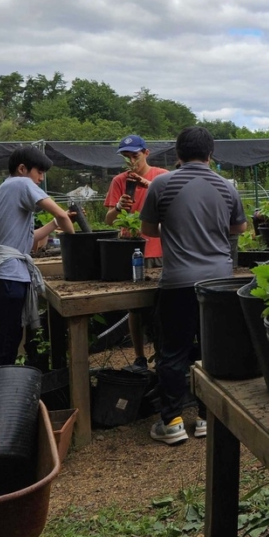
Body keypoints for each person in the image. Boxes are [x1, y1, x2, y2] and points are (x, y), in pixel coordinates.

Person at [140, 127, 247, 445]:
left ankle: (172, 422)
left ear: (178, 155)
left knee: (173, 351)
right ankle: (204, 418)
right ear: (211, 155)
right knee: (211, 349)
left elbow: (149, 229)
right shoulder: (226, 186)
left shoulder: (162, 183)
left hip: (178, 282)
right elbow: (239, 227)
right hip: (219, 281)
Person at [0, 147, 75, 365]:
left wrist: (56, 224)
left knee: (6, 339)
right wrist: (76, 240)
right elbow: (58, 212)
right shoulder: (21, 183)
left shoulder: (4, 189)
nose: (41, 178)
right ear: (22, 169)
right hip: (9, 275)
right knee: (6, 341)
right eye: (39, 172)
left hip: (5, 274)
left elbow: (29, 241)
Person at [103, 135, 168, 369]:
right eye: (127, 157)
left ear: (146, 153)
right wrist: (119, 207)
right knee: (135, 307)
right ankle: (140, 357)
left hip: (158, 248)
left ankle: (163, 354)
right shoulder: (119, 181)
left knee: (162, 304)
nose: (131, 161)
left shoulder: (160, 176)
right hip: (132, 251)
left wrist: (149, 187)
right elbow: (109, 220)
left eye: (135, 156)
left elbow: (172, 204)